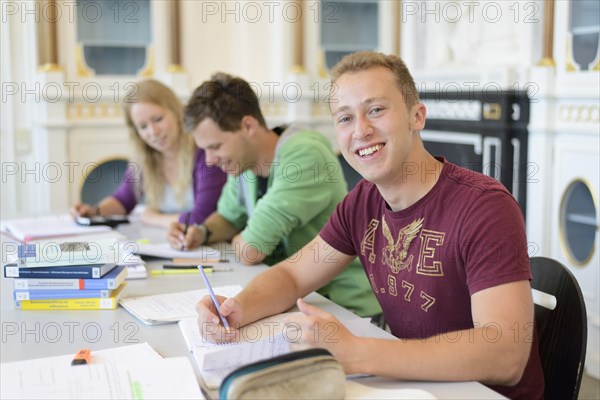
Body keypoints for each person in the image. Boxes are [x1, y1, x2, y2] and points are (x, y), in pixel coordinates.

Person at [195, 52, 544, 399]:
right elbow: (292, 276)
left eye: (376, 110)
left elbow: (505, 354)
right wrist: (237, 309)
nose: (360, 130)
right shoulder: (363, 201)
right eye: (345, 118)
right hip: (415, 387)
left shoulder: (484, 206)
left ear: (417, 116)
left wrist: (356, 352)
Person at [167, 72, 381, 318]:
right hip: (290, 298)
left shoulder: (305, 155)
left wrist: (241, 239)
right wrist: (201, 232)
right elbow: (226, 218)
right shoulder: (243, 165)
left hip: (342, 308)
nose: (210, 160)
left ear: (248, 126)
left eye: (215, 146)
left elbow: (251, 250)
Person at [70, 80, 226, 228]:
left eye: (158, 119)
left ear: (176, 112)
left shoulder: (204, 152)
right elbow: (124, 200)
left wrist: (154, 218)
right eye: (143, 126)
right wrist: (94, 211)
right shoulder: (145, 158)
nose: (153, 132)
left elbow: (202, 219)